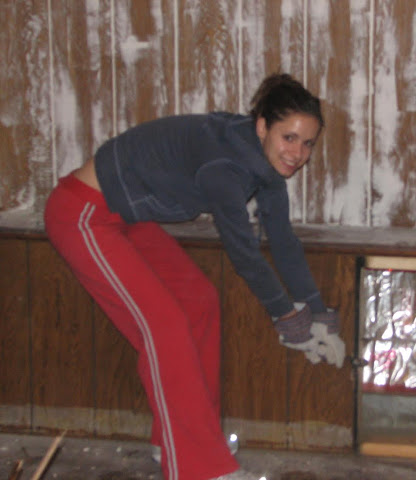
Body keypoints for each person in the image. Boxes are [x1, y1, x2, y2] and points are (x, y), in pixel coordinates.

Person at [44, 73, 346, 480]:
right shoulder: (226, 166)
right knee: (164, 325)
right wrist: (284, 316)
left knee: (198, 301)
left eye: (307, 143)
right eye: (289, 137)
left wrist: (315, 308)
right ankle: (200, 468)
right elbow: (244, 253)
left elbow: (283, 240)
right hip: (83, 214)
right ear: (262, 126)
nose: (297, 152)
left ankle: (177, 442)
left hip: (125, 218)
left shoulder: (264, 164)